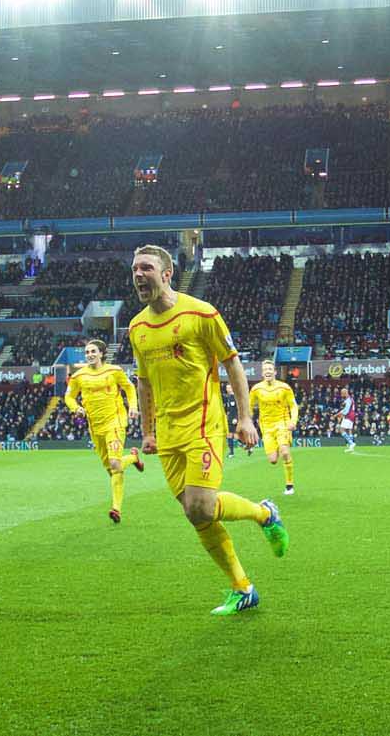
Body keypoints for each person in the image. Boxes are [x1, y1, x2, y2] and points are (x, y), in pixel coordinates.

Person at [128, 243, 287, 616]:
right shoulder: (137, 328)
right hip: (167, 432)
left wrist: (246, 418)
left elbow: (232, 365)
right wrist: (147, 430)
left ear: (167, 274)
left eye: (146, 268)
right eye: (134, 269)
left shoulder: (202, 314)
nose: (138, 275)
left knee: (200, 505)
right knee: (195, 513)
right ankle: (243, 585)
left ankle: (264, 514)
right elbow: (144, 381)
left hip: (203, 423)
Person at [64, 338, 146, 522]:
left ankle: (116, 508)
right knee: (111, 469)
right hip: (95, 427)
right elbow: (68, 397)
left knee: (115, 465)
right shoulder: (78, 376)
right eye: (87, 352)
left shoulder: (114, 371)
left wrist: (133, 406)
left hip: (115, 422)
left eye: (93, 351)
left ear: (101, 353)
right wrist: (75, 408)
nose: (90, 355)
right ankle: (133, 458)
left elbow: (129, 387)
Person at [249, 360, 298, 496]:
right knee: (273, 460)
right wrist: (248, 423)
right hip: (266, 427)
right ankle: (278, 445)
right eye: (266, 369)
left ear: (275, 372)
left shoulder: (285, 388)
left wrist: (293, 421)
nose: (268, 371)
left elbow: (293, 405)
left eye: (270, 369)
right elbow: (250, 407)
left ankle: (289, 485)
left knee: (285, 452)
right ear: (262, 373)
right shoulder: (256, 389)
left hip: (282, 423)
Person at [338, 386, 358, 453]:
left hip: (348, 415)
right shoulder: (350, 399)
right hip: (352, 415)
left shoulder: (348, 400)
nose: (341, 394)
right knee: (349, 430)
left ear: (345, 393)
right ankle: (351, 448)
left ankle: (351, 443)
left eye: (342, 393)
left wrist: (340, 415)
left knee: (341, 429)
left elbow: (346, 410)